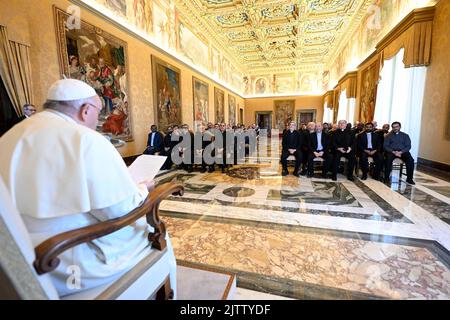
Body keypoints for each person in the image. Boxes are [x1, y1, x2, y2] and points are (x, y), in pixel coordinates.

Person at [0, 79, 176, 296]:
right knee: (158, 233)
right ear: (85, 110)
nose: (99, 122)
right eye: (98, 113)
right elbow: (121, 211)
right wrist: (141, 189)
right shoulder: (86, 139)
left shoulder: (9, 136)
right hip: (71, 263)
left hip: (23, 257)